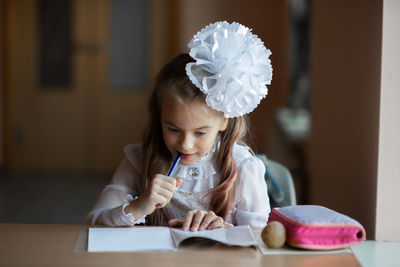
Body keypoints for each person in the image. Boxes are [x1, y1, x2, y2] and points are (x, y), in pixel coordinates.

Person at [85, 21, 273, 231]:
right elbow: (93, 221)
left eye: (200, 132)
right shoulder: (138, 160)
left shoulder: (244, 169)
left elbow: (259, 242)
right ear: (160, 118)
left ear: (223, 121)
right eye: (173, 129)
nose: (186, 144)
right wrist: (138, 206)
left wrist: (223, 230)